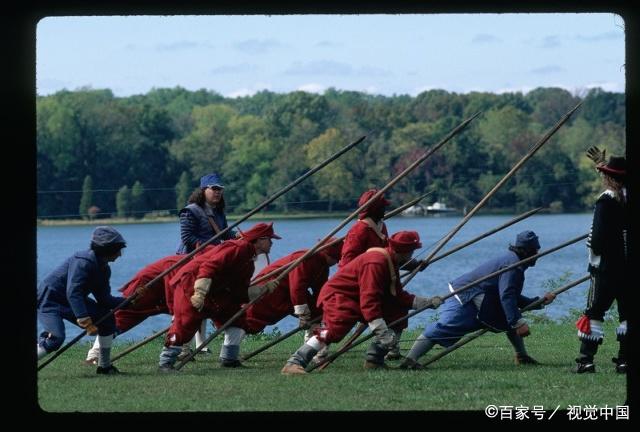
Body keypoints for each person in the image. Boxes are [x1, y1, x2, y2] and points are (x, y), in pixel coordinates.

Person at [281, 231, 443, 374]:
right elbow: (369, 300)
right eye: (412, 251)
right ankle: (295, 361)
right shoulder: (376, 263)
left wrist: (426, 302)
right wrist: (382, 332)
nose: (413, 254)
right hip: (339, 296)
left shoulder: (389, 260)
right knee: (331, 331)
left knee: (397, 311)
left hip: (355, 298)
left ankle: (374, 360)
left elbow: (396, 296)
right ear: (406, 252)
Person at [399, 230, 556, 369]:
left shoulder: (513, 261)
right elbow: (507, 296)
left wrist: (538, 302)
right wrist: (518, 322)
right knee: (446, 327)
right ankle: (410, 360)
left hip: (479, 295)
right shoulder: (513, 265)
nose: (538, 254)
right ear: (527, 251)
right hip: (466, 295)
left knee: (508, 316)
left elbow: (511, 297)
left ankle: (522, 356)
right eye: (536, 251)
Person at [158, 222, 281, 371]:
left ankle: (229, 358)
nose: (272, 243)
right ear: (260, 240)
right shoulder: (238, 248)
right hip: (191, 285)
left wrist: (262, 290)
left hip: (216, 293)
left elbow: (239, 291)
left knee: (236, 319)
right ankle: (166, 362)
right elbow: (209, 266)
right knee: (183, 326)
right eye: (269, 239)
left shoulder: (249, 260)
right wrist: (200, 292)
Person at [217, 238, 344, 367]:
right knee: (247, 321)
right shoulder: (306, 259)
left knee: (317, 313)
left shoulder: (322, 265)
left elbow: (319, 291)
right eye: (336, 258)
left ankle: (314, 353)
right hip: (270, 290)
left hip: (286, 295)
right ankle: (228, 357)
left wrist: (322, 308)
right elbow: (297, 287)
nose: (336, 262)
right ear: (331, 255)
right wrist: (303, 315)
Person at [37, 226, 130, 375]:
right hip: (49, 299)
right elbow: (73, 292)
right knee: (56, 338)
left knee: (106, 320)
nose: (120, 254)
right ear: (107, 249)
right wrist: (85, 321)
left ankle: (105, 367)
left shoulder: (104, 269)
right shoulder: (83, 262)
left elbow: (104, 299)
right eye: (118, 249)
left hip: (71, 300)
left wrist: (129, 301)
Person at [574, 152, 628, 374]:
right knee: (628, 314)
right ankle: (626, 361)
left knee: (594, 312)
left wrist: (597, 257)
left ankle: (586, 360)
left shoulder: (605, 201)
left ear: (610, 179)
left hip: (605, 269)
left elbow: (596, 240)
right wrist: (600, 165)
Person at [84, 253, 185, 364]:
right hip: (144, 289)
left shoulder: (193, 264)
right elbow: (173, 292)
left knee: (191, 313)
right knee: (120, 320)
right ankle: (94, 354)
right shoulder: (177, 264)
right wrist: (176, 310)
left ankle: (183, 349)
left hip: (161, 295)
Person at [176, 172, 237, 358]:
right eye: (214, 189)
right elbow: (187, 239)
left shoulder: (218, 212)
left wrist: (238, 238)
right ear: (204, 190)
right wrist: (211, 245)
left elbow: (225, 234)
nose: (218, 192)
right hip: (191, 262)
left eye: (220, 189)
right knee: (188, 305)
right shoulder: (190, 211)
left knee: (203, 303)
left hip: (210, 261)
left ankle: (200, 344)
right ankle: (182, 347)